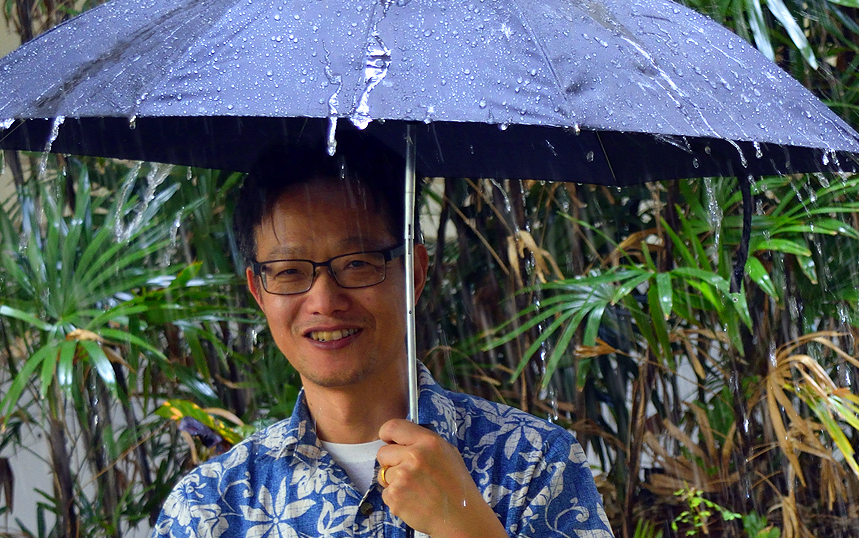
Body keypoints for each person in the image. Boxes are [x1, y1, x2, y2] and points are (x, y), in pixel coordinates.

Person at [154, 145, 613, 538]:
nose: (324, 301)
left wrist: (467, 527)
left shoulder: (534, 463)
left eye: (356, 263)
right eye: (291, 271)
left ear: (414, 273)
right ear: (259, 291)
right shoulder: (208, 509)